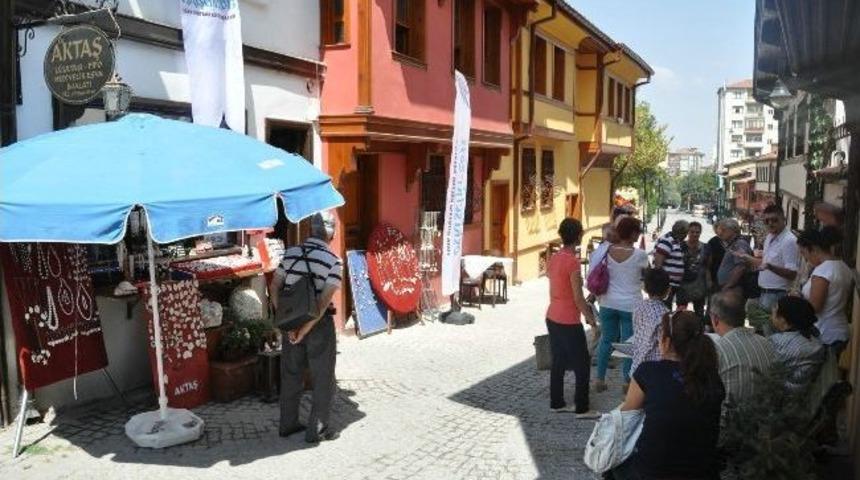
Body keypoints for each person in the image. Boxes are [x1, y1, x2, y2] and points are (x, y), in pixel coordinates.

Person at [608, 311, 725, 480]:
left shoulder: (648, 372)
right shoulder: (712, 379)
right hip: (703, 471)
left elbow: (626, 419)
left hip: (653, 471)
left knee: (613, 468)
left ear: (667, 341)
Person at [270, 211, 343, 443]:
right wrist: (305, 329)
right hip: (318, 325)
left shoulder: (290, 253)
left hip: (290, 321)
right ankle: (318, 428)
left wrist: (287, 322)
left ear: (311, 230)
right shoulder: (333, 261)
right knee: (323, 376)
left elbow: (274, 287)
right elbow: (322, 303)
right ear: (331, 234)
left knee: (291, 373)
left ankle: (287, 424)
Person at [546, 218, 599, 418]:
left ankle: (557, 402)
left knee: (558, 361)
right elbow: (577, 297)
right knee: (582, 364)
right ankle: (582, 408)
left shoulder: (554, 258)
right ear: (579, 236)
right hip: (568, 319)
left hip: (552, 314)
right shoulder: (573, 262)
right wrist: (591, 320)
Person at [594, 217, 649, 393]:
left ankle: (600, 379)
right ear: (632, 233)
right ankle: (626, 381)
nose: (639, 234)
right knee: (628, 343)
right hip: (630, 305)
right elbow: (646, 277)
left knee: (606, 340)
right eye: (638, 231)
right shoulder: (640, 255)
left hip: (607, 302)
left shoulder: (606, 251)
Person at [709, 291, 775, 408]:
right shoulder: (766, 343)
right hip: (765, 416)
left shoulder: (717, 350)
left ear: (715, 319)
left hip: (730, 420)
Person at [797, 227, 854, 357]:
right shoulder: (843, 267)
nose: (805, 258)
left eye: (804, 252)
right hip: (838, 329)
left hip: (825, 333)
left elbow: (814, 307)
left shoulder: (823, 271)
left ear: (813, 248)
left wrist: (797, 300)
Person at [737, 205, 798, 311]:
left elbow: (792, 274)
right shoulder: (770, 236)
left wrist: (770, 267)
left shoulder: (789, 241)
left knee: (771, 327)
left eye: (774, 220)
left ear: (784, 219)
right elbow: (764, 264)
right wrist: (746, 257)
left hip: (778, 294)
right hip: (764, 292)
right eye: (766, 221)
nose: (770, 223)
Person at [770, 296, 826, 392]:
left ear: (783, 320)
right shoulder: (815, 341)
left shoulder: (779, 342)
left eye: (773, 313)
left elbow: (766, 368)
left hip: (784, 394)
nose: (770, 316)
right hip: (803, 391)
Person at [630, 268, 671, 375]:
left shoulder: (639, 307)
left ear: (645, 288)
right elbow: (664, 344)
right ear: (668, 290)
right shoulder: (665, 314)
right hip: (654, 367)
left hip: (637, 364)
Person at [652, 220, 689, 308]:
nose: (686, 236)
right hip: (667, 284)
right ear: (681, 232)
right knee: (665, 308)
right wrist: (662, 282)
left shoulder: (675, 241)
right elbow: (658, 263)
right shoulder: (667, 240)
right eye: (686, 233)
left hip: (673, 284)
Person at [677, 221, 707, 319]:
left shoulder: (706, 247)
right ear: (688, 232)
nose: (695, 234)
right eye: (692, 232)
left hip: (699, 285)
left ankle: (699, 332)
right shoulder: (680, 246)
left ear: (700, 233)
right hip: (683, 285)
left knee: (699, 313)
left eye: (697, 232)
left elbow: (708, 266)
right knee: (681, 312)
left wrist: (709, 282)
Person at [716, 219, 752, 294]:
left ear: (733, 230)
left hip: (734, 288)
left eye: (723, 230)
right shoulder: (733, 244)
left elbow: (740, 267)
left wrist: (728, 285)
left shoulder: (739, 244)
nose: (720, 233)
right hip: (730, 287)